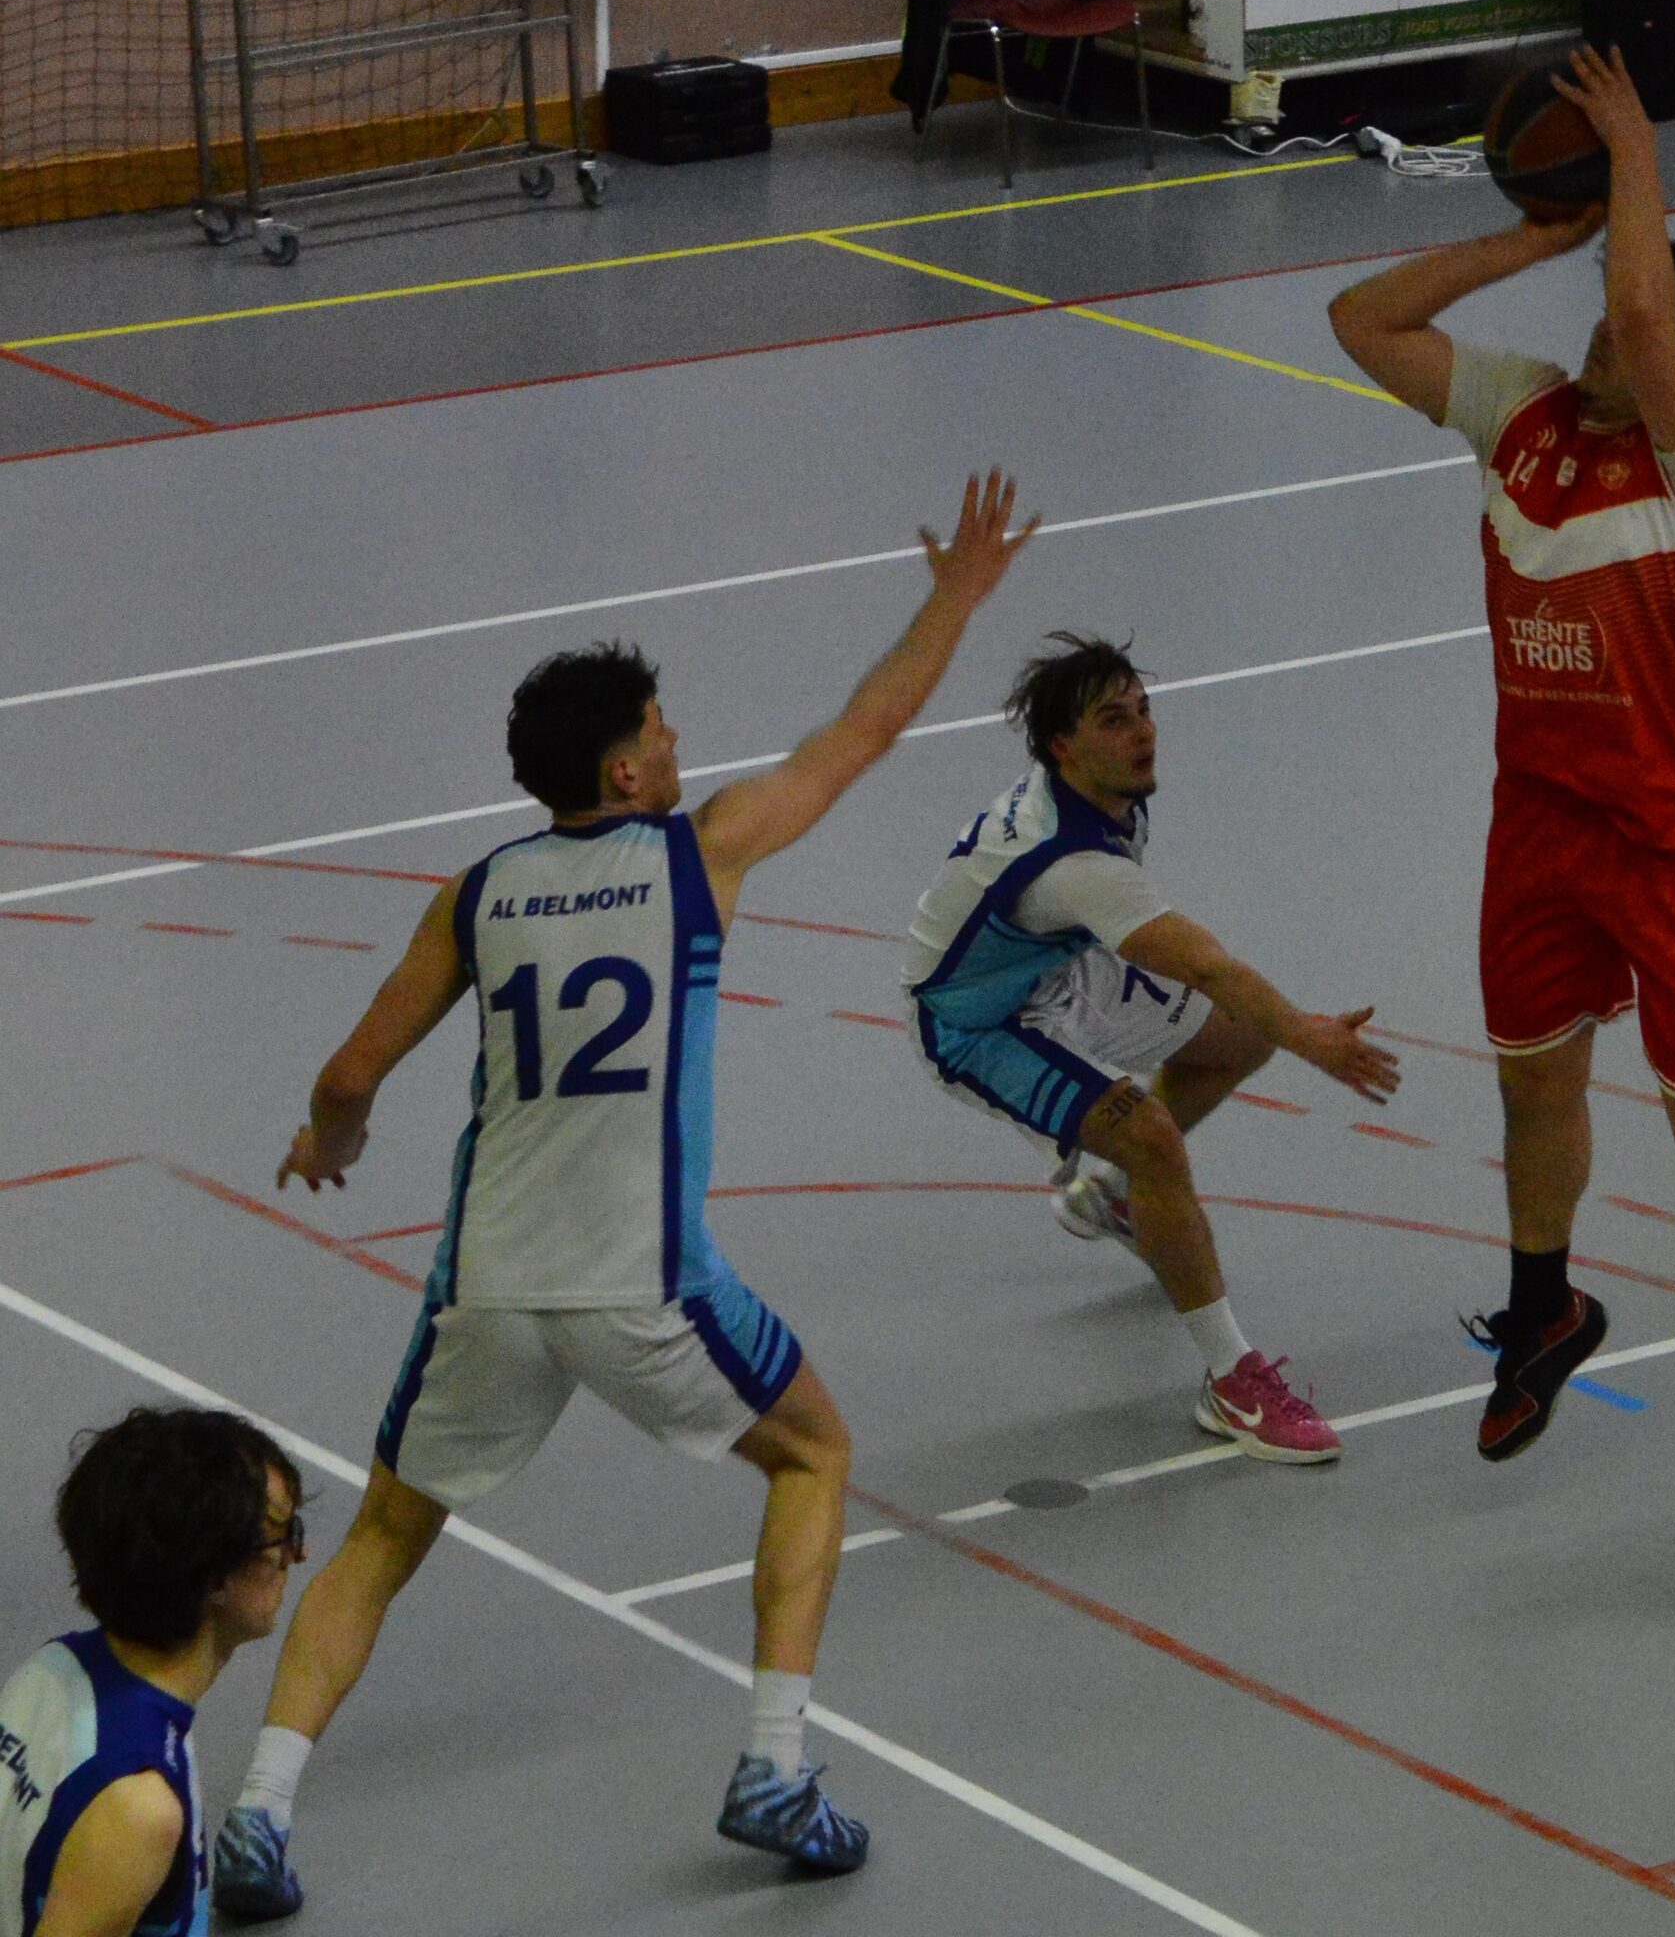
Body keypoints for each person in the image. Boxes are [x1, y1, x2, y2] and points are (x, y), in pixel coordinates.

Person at [211, 474, 1038, 1919]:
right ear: (626, 774)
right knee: (816, 1453)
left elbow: (347, 1074)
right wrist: (956, 598)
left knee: (384, 1537)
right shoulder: (697, 855)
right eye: (660, 730)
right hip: (642, 1277)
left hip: (487, 1281)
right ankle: (774, 1764)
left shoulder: (478, 892)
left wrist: (330, 1140)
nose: (677, 742)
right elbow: (863, 732)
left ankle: (259, 1812)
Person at [1326, 47, 1675, 1569]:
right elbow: (1361, 320)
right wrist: (1530, 234)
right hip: (1538, 824)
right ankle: (1545, 1307)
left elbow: (1652, 319)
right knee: (1534, 1086)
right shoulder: (1522, 412)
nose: (1601, 323)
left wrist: (1631, 153)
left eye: (1620, 311)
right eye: (1591, 306)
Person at [901, 634, 1401, 1462]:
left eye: (1143, 710)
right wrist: (1309, 1035)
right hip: (976, 1021)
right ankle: (1231, 1382)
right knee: (1151, 1138)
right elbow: (1201, 962)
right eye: (1113, 719)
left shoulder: (1104, 793)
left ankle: (1107, 1197)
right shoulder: (1069, 862)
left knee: (1237, 1038)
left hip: (1054, 967)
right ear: (1063, 746)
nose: (1142, 732)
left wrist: (1275, 1027)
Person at [2, 1407, 303, 1937]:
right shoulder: (138, 1806)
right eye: (283, 1537)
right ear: (215, 1580)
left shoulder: (52, 1669)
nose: (297, 1557)